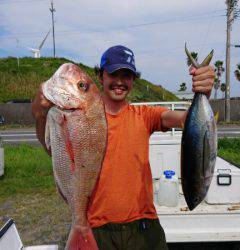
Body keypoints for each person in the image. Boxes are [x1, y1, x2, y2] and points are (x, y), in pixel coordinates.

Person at [32, 45, 215, 250]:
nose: (119, 81)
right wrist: (40, 112)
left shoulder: (144, 116)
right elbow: (50, 146)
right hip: (96, 228)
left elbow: (186, 120)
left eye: (126, 75)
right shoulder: (77, 117)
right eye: (113, 74)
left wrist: (203, 93)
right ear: (101, 76)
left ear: (133, 80)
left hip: (143, 225)